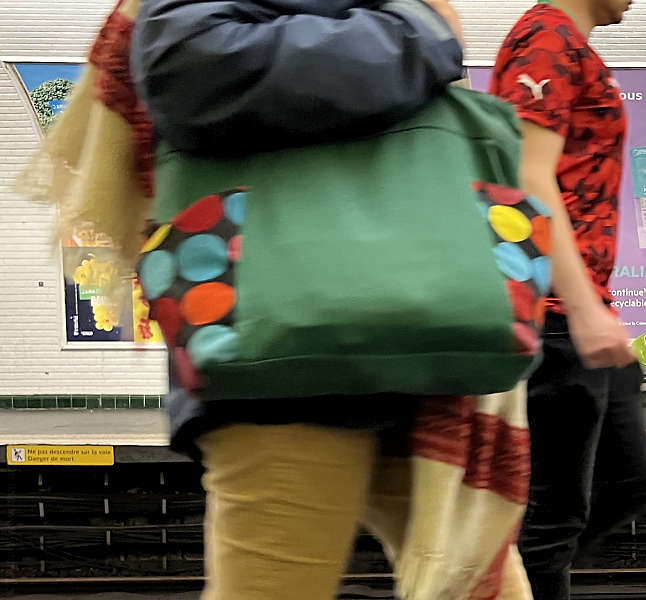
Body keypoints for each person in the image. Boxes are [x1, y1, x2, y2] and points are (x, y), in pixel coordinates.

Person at [18, 1, 532, 599]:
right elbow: (191, 65)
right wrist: (417, 31)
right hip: (279, 363)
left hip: (426, 360)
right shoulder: (413, 22)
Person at [490, 1, 646, 598]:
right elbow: (528, 179)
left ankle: (495, 580)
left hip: (579, 313)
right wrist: (584, 310)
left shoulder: (572, 47)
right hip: (553, 317)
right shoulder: (544, 39)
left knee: (625, 485)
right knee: (552, 520)